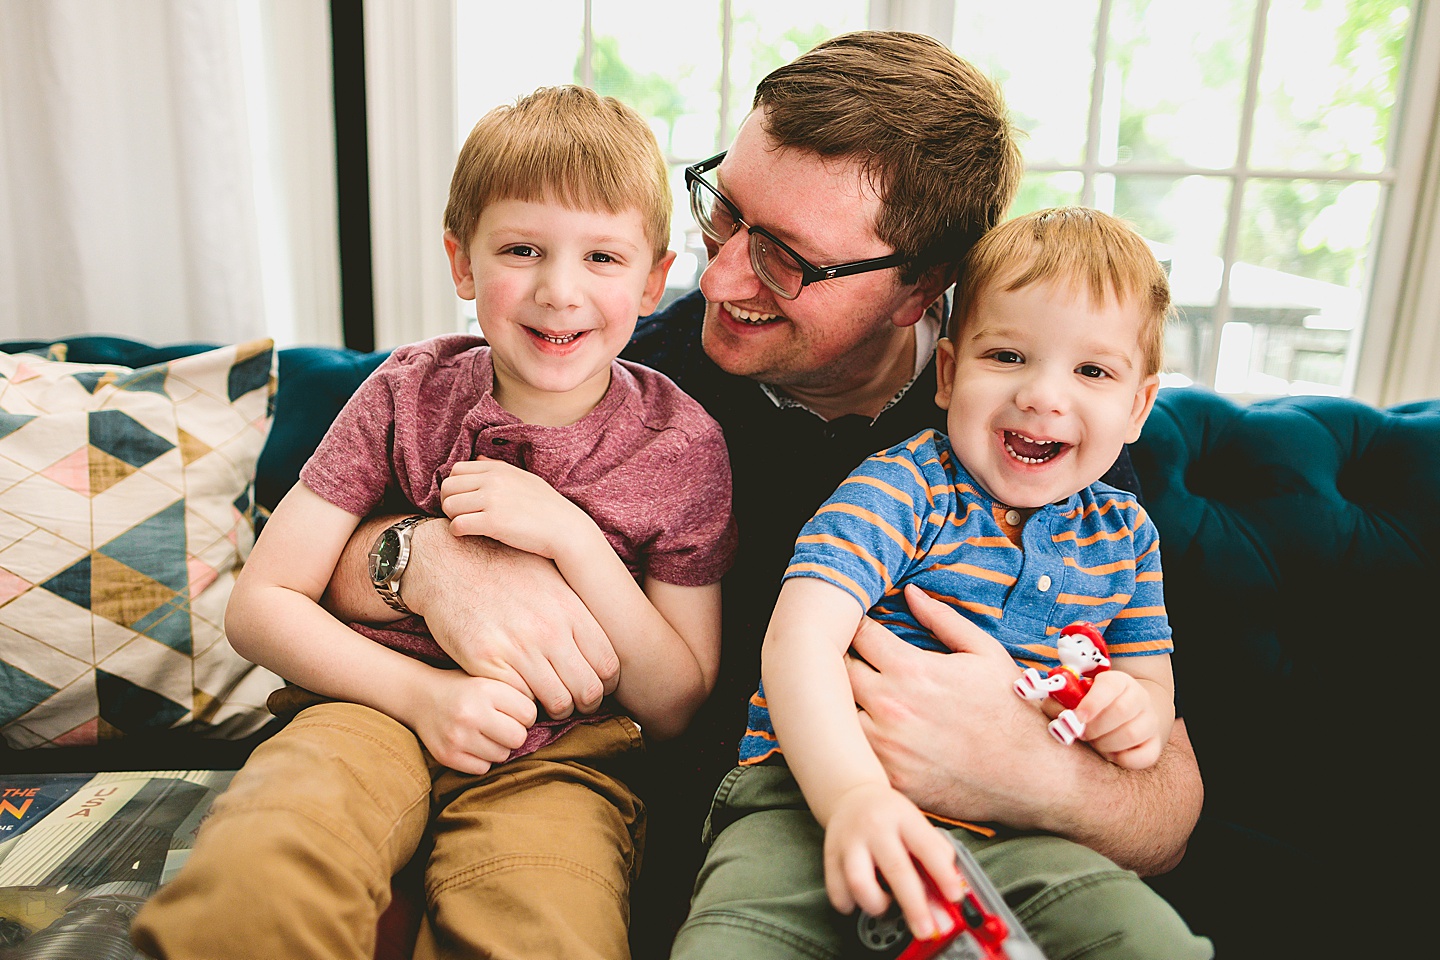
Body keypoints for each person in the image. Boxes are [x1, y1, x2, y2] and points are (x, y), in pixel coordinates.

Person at [319, 31, 1207, 960]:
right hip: (667, 845)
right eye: (724, 213)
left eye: (788, 257)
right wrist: (416, 559)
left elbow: (1169, 807)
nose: (724, 274)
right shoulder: (632, 369)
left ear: (921, 289)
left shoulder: (1030, 438)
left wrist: (1030, 772)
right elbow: (304, 549)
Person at [130, 84, 736, 960]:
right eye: (522, 249)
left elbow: (675, 701)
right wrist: (427, 697)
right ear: (461, 262)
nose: (559, 292)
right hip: (364, 707)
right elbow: (260, 605)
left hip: (564, 759)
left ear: (653, 278)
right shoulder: (406, 393)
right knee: (261, 875)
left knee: (545, 925)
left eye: (602, 258)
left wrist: (568, 534)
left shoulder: (680, 445)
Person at [679, 206, 1203, 959]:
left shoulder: (1126, 536)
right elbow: (799, 638)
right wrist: (853, 797)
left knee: (1150, 941)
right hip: (806, 798)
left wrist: (1131, 715)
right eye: (1009, 357)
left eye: (1091, 371)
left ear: (1138, 407)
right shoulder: (906, 488)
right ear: (951, 375)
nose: (1044, 396)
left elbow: (1152, 690)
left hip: (1019, 834)